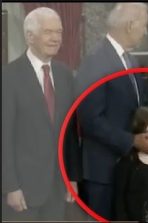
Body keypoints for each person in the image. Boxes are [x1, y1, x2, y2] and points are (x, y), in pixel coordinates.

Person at [75, 3, 148, 219]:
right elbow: (90, 119)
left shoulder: (130, 60)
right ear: (131, 25)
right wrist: (132, 141)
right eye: (144, 26)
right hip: (102, 172)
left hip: (125, 169)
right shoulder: (96, 61)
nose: (145, 31)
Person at [2, 7, 80, 221]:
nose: (56, 38)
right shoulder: (8, 77)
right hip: (22, 192)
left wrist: (71, 178)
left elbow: (70, 133)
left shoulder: (65, 74)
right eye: (48, 32)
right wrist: (10, 186)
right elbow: (4, 138)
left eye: (59, 32)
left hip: (57, 188)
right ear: (30, 36)